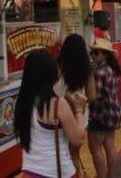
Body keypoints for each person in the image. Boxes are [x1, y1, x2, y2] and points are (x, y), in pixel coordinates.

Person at [14, 50, 87, 178]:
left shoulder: (23, 103)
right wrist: (79, 109)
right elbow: (78, 139)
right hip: (56, 172)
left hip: (29, 172)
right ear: (49, 73)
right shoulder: (58, 104)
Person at [54, 34, 97, 178]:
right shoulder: (86, 70)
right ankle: (77, 174)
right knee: (74, 152)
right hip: (80, 115)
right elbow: (92, 96)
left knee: (60, 152)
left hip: (58, 114)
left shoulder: (57, 67)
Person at [88, 38, 121, 178]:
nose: (93, 56)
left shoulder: (99, 72)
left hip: (100, 113)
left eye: (96, 53)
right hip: (113, 112)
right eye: (92, 53)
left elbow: (93, 97)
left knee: (95, 148)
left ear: (105, 55)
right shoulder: (111, 69)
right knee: (110, 145)